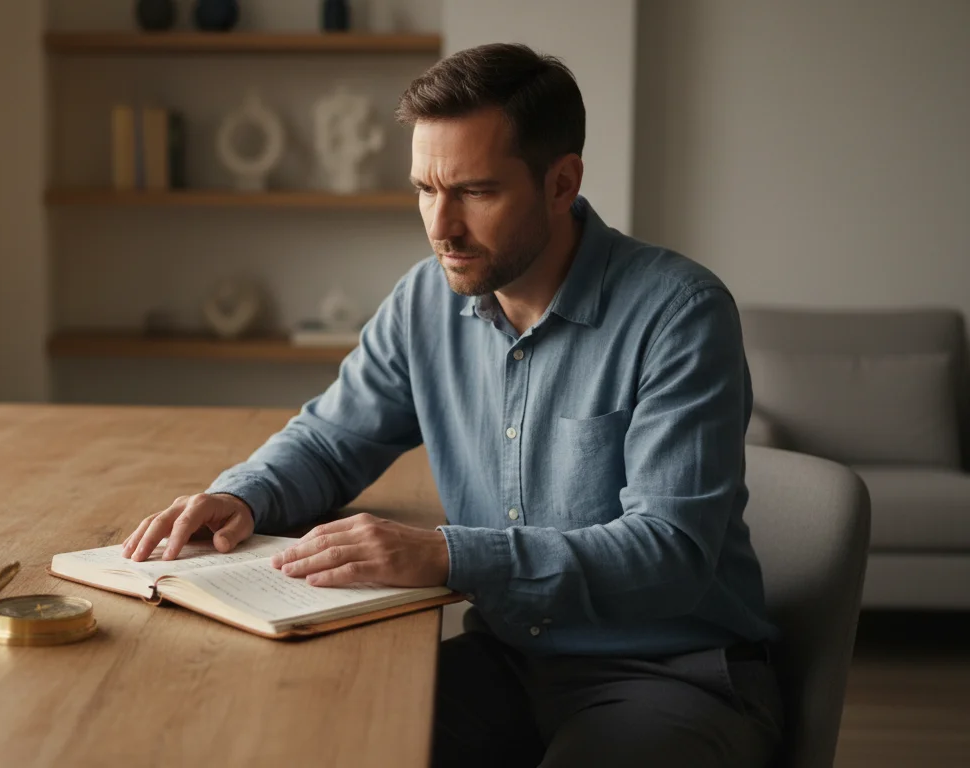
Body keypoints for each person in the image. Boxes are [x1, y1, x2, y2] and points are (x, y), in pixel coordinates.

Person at [120, 43, 783, 767]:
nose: (441, 226)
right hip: (504, 662)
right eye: (425, 190)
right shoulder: (423, 301)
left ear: (562, 183)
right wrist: (242, 497)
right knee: (308, 737)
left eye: (474, 192)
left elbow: (670, 553)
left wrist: (444, 554)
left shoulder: (681, 314)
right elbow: (331, 439)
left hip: (669, 675)